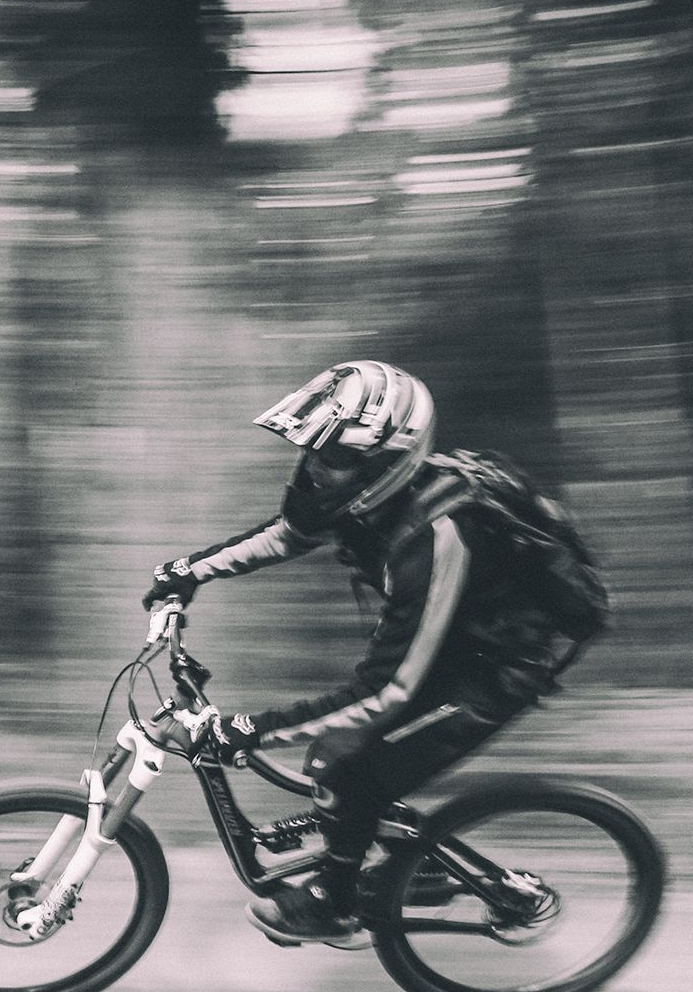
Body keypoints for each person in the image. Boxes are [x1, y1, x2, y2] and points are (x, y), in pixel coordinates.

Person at [141, 361, 566, 948]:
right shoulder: (364, 499)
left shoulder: (437, 534)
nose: (315, 468)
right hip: (448, 645)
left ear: (388, 462)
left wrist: (252, 729)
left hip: (494, 673)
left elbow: (386, 691)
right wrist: (190, 571)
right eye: (312, 451)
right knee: (339, 757)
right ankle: (420, 866)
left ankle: (336, 905)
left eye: (333, 457)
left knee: (348, 767)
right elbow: (289, 533)